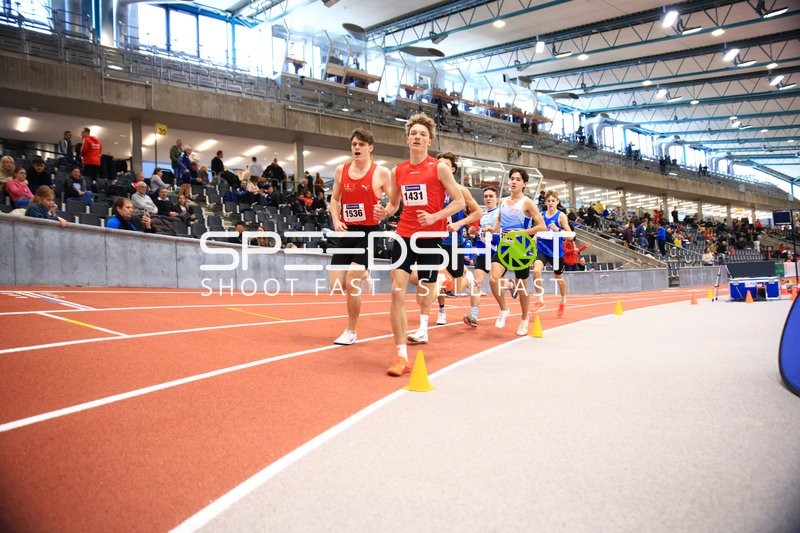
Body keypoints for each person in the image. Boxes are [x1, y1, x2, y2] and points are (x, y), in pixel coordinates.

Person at [373, 112, 464, 376]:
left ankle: (423, 325)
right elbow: (394, 204)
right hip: (404, 235)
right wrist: (384, 212)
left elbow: (458, 201)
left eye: (422, 134)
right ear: (407, 138)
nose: (417, 137)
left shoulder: (439, 167)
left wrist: (435, 216)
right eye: (414, 133)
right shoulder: (398, 170)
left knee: (424, 291)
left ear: (429, 140)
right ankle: (401, 354)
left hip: (431, 237)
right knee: (396, 291)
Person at [327, 128, 391, 346]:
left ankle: (351, 331)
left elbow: (395, 202)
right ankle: (365, 272)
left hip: (369, 233)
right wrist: (336, 220)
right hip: (347, 232)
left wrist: (386, 212)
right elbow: (334, 200)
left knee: (352, 280)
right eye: (354, 144)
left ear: (370, 148)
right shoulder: (340, 171)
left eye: (361, 144)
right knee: (336, 284)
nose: (356, 148)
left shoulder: (381, 173)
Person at [428, 152, 482, 328]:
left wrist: (460, 223)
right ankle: (441, 310)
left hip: (455, 243)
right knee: (438, 277)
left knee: (456, 288)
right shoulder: (432, 188)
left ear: (452, 169)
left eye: (444, 164)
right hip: (436, 241)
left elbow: (477, 212)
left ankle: (467, 276)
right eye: (438, 164)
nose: (440, 167)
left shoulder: (461, 190)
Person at [489, 168, 545, 336]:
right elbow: (499, 221)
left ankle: (524, 318)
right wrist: (490, 229)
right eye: (512, 178)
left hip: (521, 248)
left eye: (517, 179)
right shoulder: (503, 202)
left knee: (522, 288)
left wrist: (520, 233)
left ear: (524, 183)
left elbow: (541, 226)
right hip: (505, 246)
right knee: (493, 279)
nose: (513, 182)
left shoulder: (527, 202)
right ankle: (504, 309)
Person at [464, 186, 500, 327]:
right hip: (484, 253)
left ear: (496, 198)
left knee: (497, 284)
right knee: (476, 283)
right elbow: (482, 236)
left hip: (497, 252)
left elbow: (503, 234)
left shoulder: (501, 214)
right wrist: (475, 233)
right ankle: (473, 316)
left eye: (491, 196)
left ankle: (511, 284)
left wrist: (491, 234)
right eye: (486, 196)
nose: (488, 198)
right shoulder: (483, 215)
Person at [531, 190, 570, 317]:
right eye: (549, 201)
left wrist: (557, 229)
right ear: (546, 202)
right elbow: (539, 228)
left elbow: (569, 236)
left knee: (559, 277)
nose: (551, 203)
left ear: (557, 202)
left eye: (553, 200)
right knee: (536, 271)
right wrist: (535, 235)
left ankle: (563, 299)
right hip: (542, 249)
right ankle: (540, 300)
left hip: (556, 252)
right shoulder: (541, 215)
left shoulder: (561, 216)